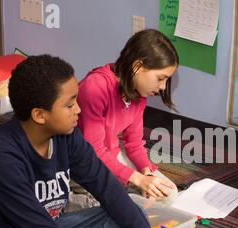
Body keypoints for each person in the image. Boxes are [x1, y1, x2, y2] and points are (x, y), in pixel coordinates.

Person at [0, 55, 168, 228]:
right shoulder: (0, 155)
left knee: (135, 222)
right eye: (69, 105)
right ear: (39, 115)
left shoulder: (66, 136)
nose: (78, 110)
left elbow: (108, 188)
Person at [70, 29, 179, 210]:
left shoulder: (138, 91)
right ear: (137, 66)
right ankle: (70, 201)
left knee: (168, 193)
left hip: (109, 156)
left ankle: (119, 199)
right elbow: (93, 151)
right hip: (82, 163)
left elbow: (134, 143)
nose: (162, 87)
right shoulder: (95, 87)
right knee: (106, 209)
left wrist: (145, 170)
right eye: (161, 78)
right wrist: (137, 179)